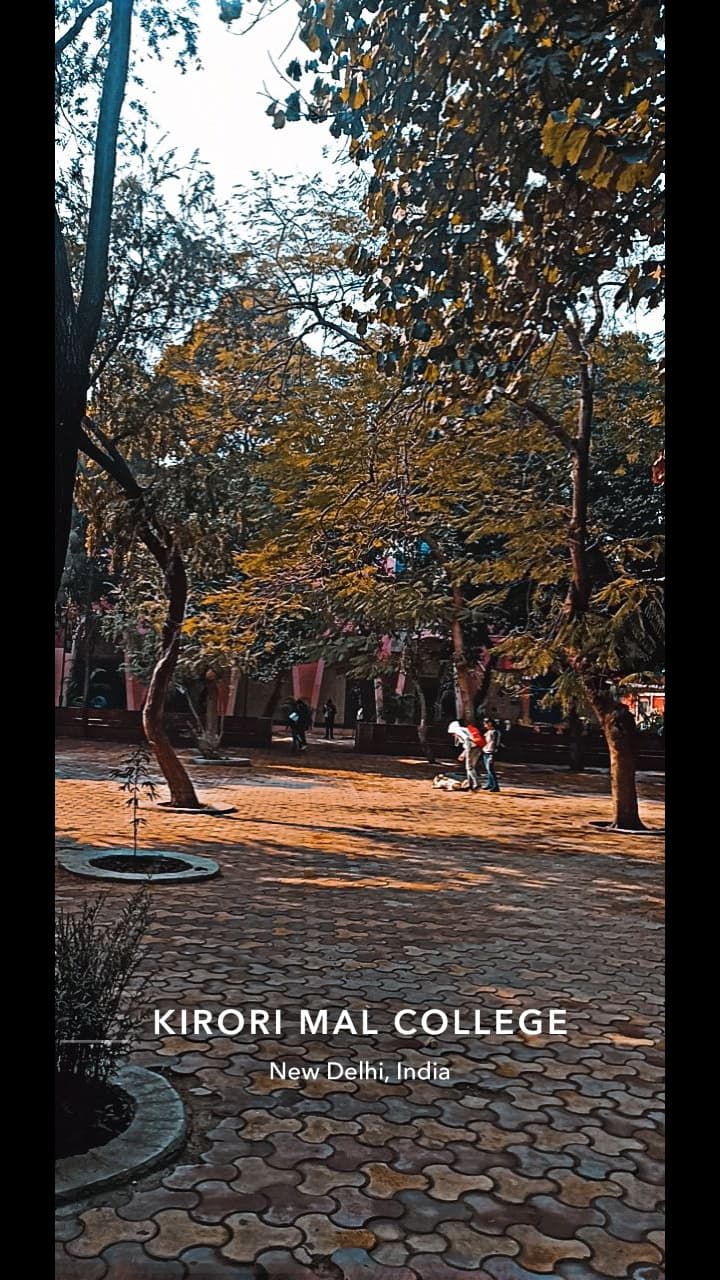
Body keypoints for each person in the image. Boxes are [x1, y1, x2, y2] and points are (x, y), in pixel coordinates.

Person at [447, 720, 482, 793]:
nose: (453, 735)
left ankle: (476, 784)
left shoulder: (458, 730)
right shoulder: (464, 729)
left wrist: (467, 752)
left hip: (472, 749)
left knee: (469, 768)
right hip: (477, 748)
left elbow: (466, 739)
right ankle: (471, 785)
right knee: (470, 768)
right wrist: (464, 753)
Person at [482, 717, 501, 791]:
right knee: (488, 769)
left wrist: (493, 753)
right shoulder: (488, 732)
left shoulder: (495, 732)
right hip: (486, 751)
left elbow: (496, 743)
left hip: (491, 752)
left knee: (490, 769)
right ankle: (490, 784)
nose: (484, 725)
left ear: (490, 723)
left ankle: (495, 786)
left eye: (485, 724)